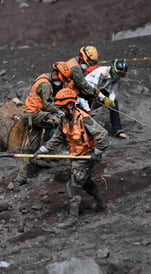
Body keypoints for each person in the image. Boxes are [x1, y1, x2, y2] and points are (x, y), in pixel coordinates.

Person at [33, 88, 109, 229]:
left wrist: (96, 153)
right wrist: (42, 150)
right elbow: (57, 138)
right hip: (77, 156)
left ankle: (73, 218)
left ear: (69, 105)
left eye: (61, 107)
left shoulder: (84, 119)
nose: (59, 110)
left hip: (86, 157)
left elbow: (103, 135)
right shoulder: (65, 120)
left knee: (73, 186)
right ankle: (101, 204)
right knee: (85, 182)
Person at [14, 62, 71, 185]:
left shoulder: (44, 77)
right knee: (58, 120)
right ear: (55, 74)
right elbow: (48, 105)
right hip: (34, 115)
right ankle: (58, 146)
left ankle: (21, 177)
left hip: (31, 115)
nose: (60, 83)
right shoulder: (46, 85)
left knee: (31, 147)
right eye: (61, 80)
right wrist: (60, 110)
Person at [80, 59, 131, 139]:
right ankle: (82, 130)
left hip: (98, 89)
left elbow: (113, 91)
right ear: (113, 69)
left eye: (122, 74)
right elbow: (93, 88)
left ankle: (118, 130)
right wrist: (104, 99)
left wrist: (111, 101)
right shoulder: (102, 72)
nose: (120, 76)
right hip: (87, 88)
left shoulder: (117, 78)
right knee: (85, 108)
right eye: (119, 73)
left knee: (114, 103)